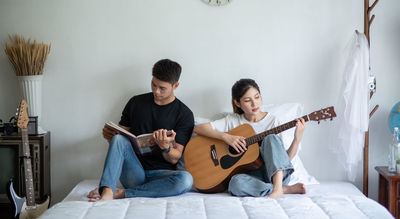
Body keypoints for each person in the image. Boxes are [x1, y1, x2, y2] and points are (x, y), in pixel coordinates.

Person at [88, 59, 194, 201]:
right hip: (133, 172)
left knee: (186, 179)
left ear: (176, 85)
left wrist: (165, 147)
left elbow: (175, 158)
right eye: (153, 84)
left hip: (161, 177)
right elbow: (120, 140)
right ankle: (107, 192)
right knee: (119, 139)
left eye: (162, 88)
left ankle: (121, 194)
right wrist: (109, 136)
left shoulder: (184, 114)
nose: (156, 91)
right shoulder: (136, 102)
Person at [194, 78, 306, 199]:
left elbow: (284, 159)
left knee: (270, 138)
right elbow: (199, 128)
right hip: (254, 177)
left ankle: (278, 188)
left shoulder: (273, 121)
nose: (254, 104)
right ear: (237, 103)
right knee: (234, 184)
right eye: (248, 100)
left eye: (257, 97)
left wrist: (297, 139)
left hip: (277, 176)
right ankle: (285, 190)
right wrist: (226, 137)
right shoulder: (233, 120)